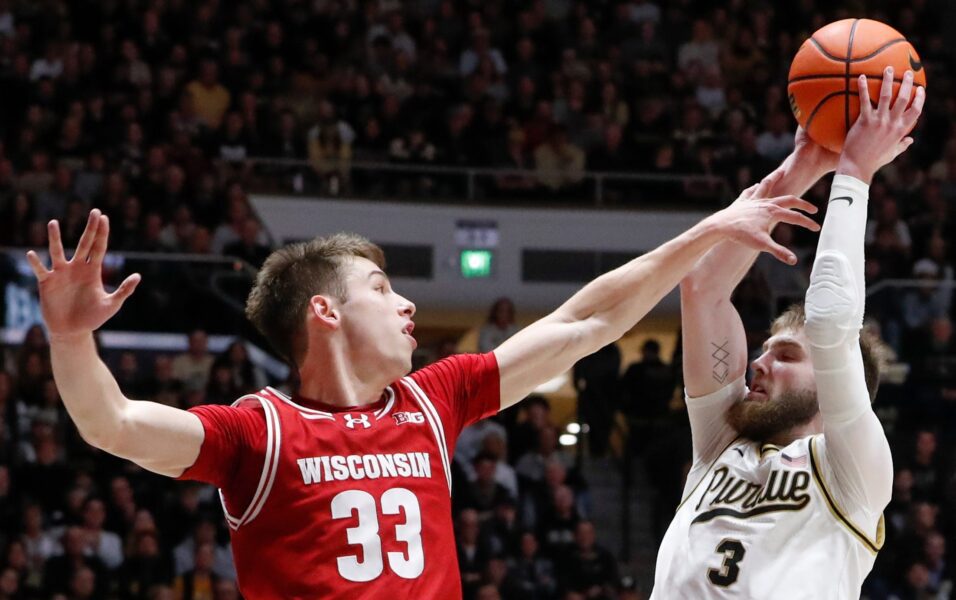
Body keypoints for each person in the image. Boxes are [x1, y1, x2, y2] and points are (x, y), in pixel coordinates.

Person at [27, 163, 817, 597]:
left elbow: (585, 324)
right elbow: (114, 425)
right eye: (381, 289)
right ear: (325, 313)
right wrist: (69, 338)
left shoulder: (430, 400)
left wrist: (712, 228)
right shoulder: (257, 431)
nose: (407, 304)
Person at [651, 68, 924, 598]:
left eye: (785, 355)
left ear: (830, 378)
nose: (758, 364)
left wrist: (855, 174)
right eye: (765, 351)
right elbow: (703, 288)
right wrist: (797, 172)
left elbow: (829, 326)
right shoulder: (720, 445)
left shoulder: (853, 472)